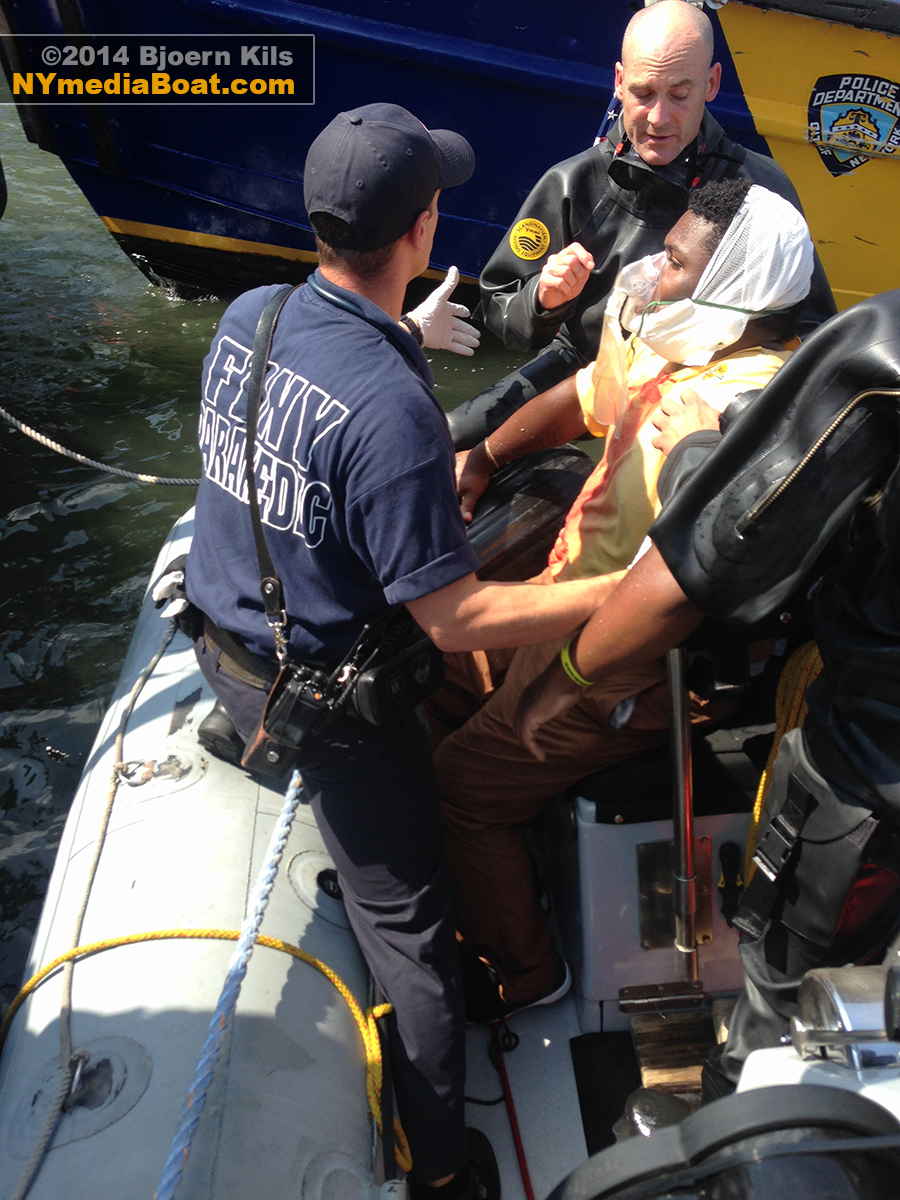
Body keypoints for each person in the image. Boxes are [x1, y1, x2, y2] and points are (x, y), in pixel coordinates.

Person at [183, 102, 627, 1197]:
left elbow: (307, 416)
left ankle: (248, 734)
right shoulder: (391, 409)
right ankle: (440, 1167)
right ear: (425, 230)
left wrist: (404, 334)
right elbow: (454, 619)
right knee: (414, 933)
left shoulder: (254, 311)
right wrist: (615, 594)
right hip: (323, 707)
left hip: (222, 655)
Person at [435, 178, 814, 1022]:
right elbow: (588, 398)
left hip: (632, 668)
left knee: (463, 781)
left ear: (737, 292)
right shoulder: (679, 343)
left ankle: (528, 977)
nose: (650, 269)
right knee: (426, 670)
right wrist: (485, 456)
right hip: (565, 605)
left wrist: (562, 682)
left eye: (674, 261)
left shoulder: (745, 416)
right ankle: (479, 884)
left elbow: (677, 593)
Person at [513, 287, 900, 1094]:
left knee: (786, 989)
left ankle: (737, 1130)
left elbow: (723, 551)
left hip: (870, 777)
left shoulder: (880, 353)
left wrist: (696, 451)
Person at [448, 0, 835, 449]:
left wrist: (737, 409)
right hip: (585, 364)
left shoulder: (758, 192)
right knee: (451, 437)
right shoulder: (571, 182)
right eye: (643, 92)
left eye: (679, 94)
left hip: (704, 384)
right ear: (618, 83)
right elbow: (499, 305)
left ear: (711, 85)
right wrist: (543, 299)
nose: (658, 117)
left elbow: (812, 329)